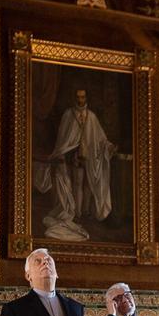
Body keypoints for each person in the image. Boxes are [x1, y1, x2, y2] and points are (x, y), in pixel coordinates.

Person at [35, 89, 117, 240]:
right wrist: (65, 151)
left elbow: (100, 137)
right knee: (77, 183)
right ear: (75, 98)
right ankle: (77, 213)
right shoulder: (68, 115)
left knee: (88, 184)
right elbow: (63, 137)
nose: (80, 100)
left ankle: (85, 211)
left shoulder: (91, 116)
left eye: (83, 97)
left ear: (86, 98)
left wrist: (108, 146)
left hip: (89, 155)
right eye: (78, 97)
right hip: (73, 155)